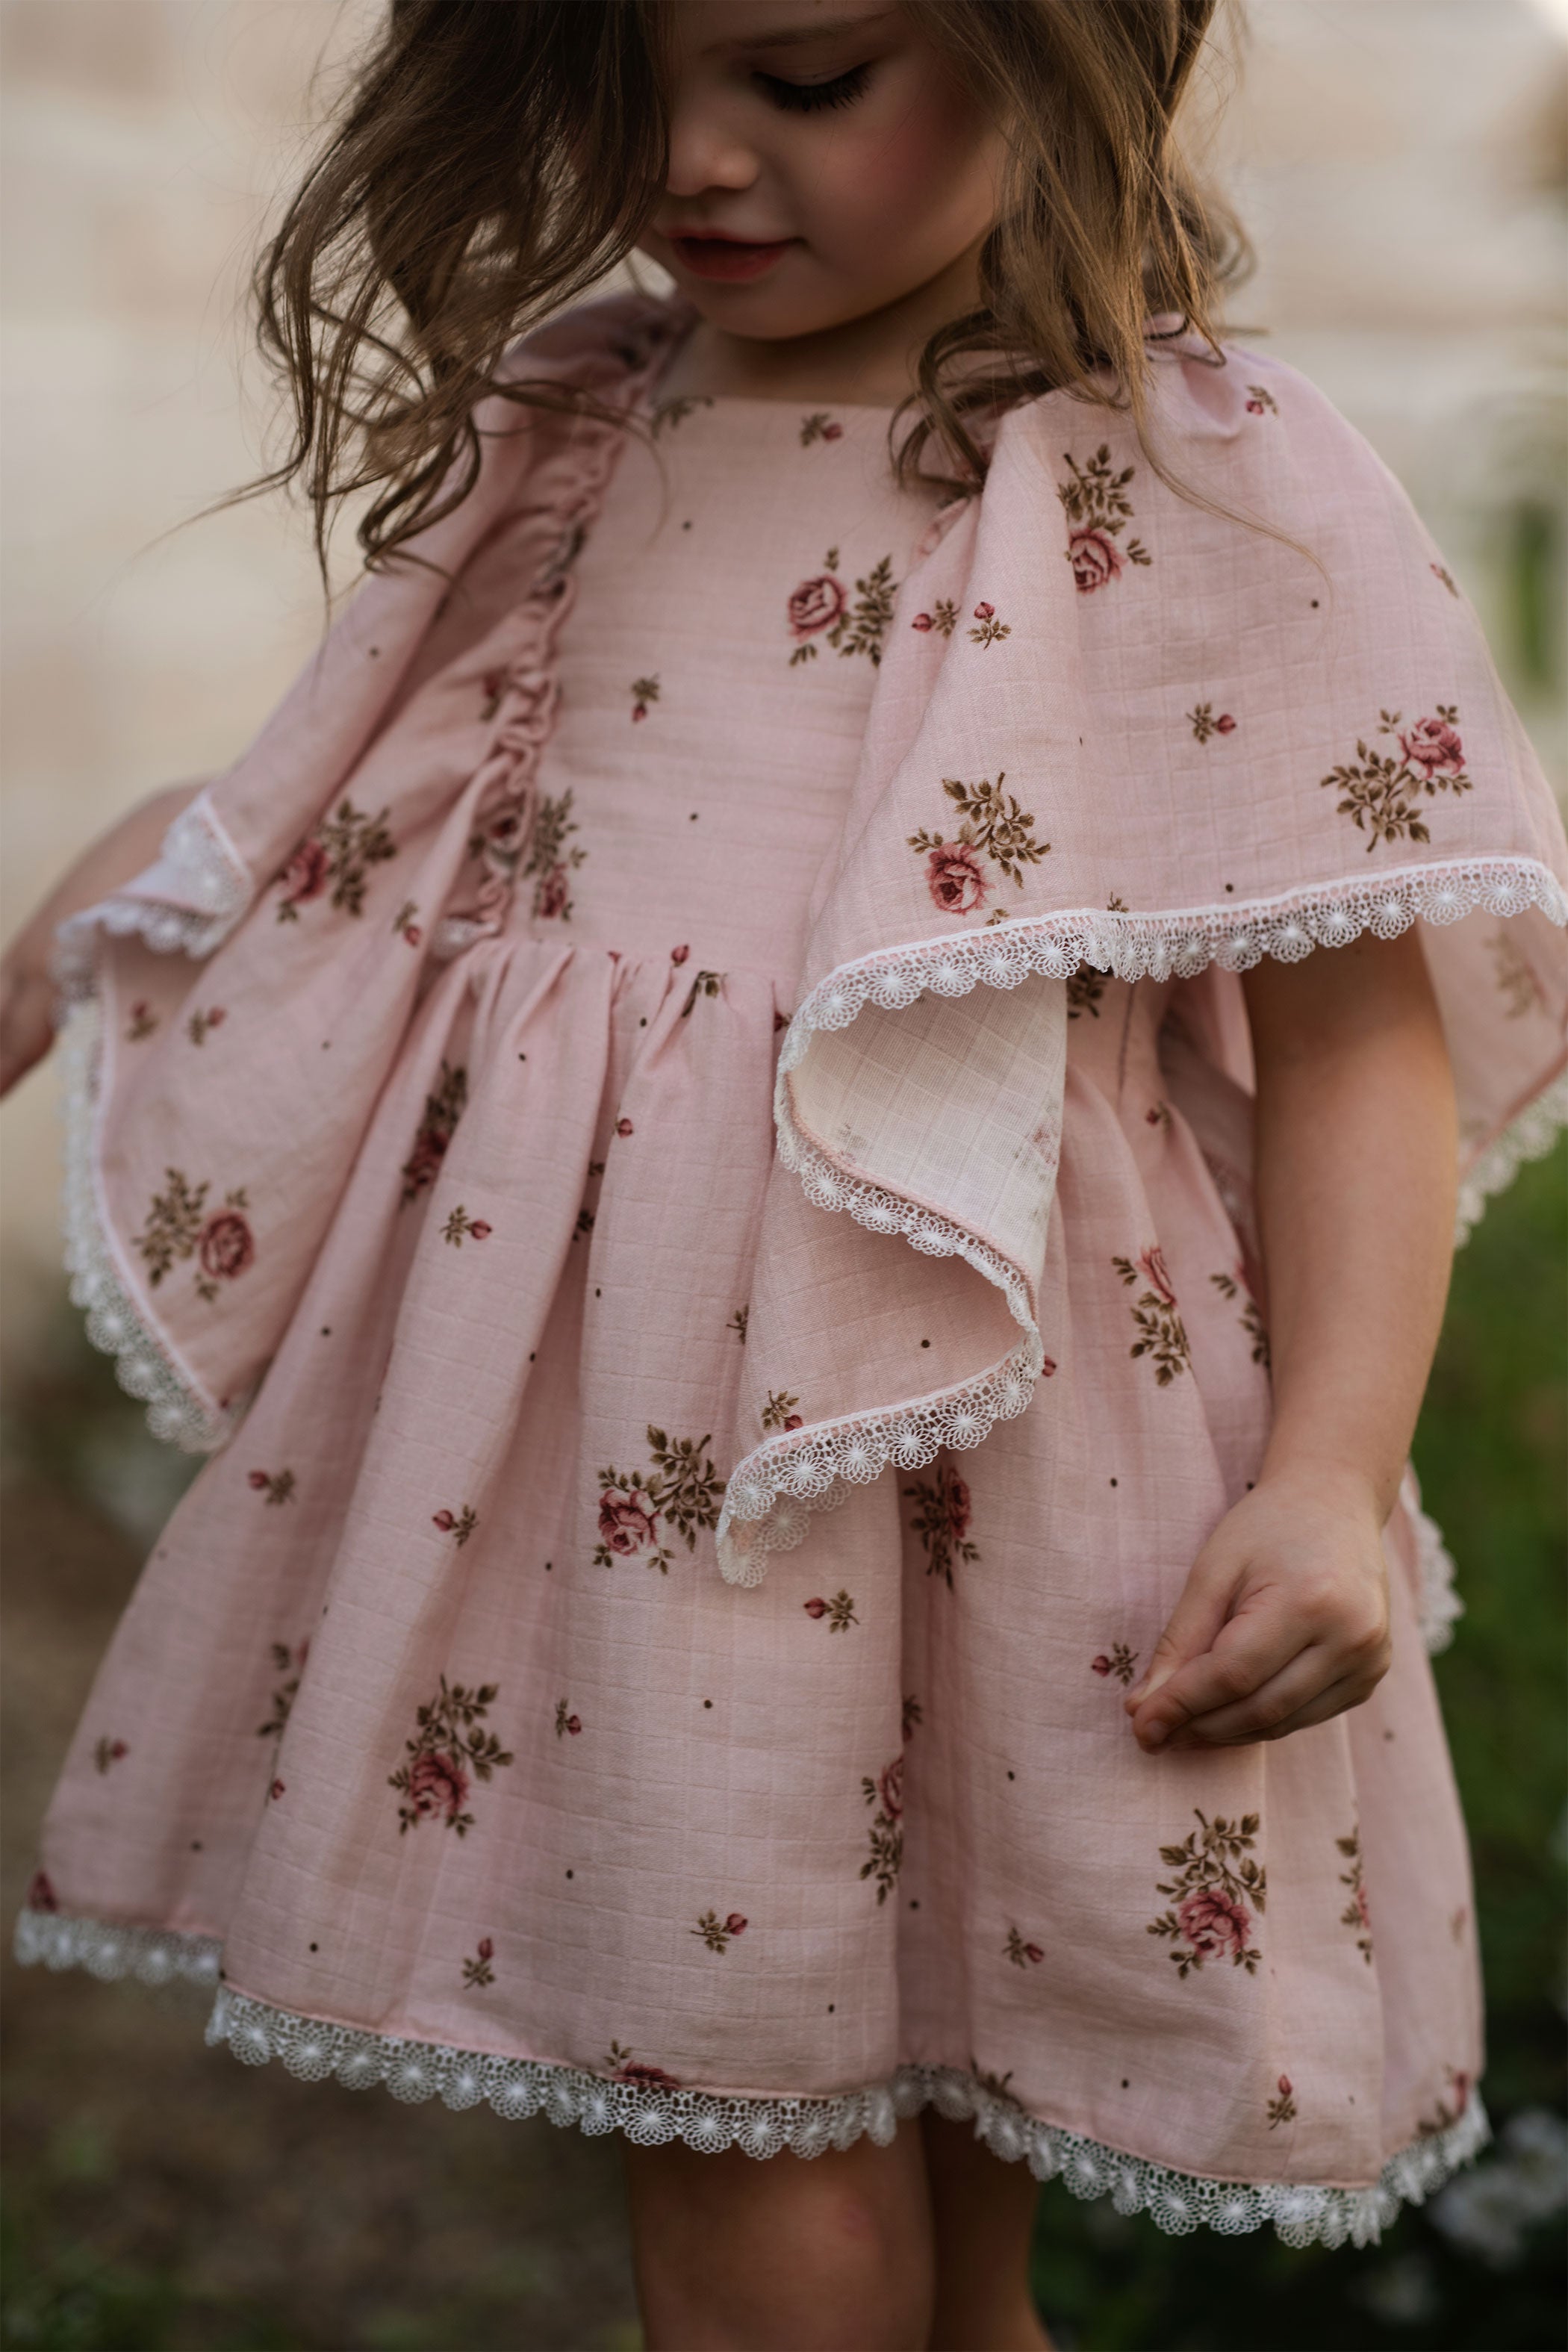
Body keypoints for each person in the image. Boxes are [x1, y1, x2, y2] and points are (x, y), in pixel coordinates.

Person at [4, 3, 1564, 2347]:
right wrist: (157, 872)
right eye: (618, 78)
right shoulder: (583, 423)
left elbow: (1354, 1025)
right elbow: (405, 788)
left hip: (1009, 1430)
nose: (692, 161)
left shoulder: (1175, 474)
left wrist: (1331, 1471)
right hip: (647, 1435)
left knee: (937, 2211)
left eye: (802, 78)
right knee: (745, 2139)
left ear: (1067, 45)